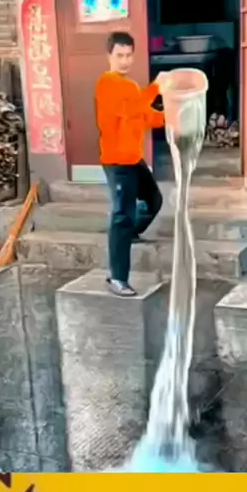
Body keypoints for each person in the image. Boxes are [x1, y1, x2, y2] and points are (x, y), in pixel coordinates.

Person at [95, 31, 166, 297]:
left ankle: (130, 233)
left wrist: (171, 116)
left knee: (154, 200)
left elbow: (145, 115)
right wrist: (156, 88)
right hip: (117, 162)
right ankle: (117, 278)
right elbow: (129, 110)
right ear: (109, 56)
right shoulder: (106, 84)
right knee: (122, 216)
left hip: (134, 159)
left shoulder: (132, 87)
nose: (124, 60)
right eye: (119, 55)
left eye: (128, 55)